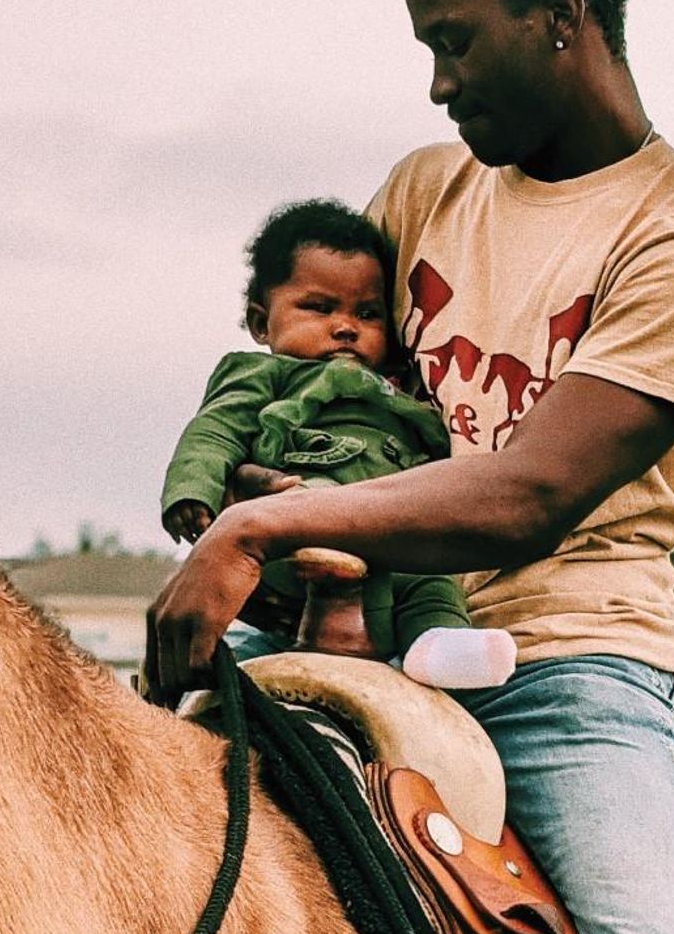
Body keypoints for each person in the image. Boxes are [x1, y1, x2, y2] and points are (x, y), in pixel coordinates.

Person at [149, 0, 674, 934]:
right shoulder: (425, 189)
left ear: (563, 17)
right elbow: (308, 378)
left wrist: (265, 519)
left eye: (457, 42)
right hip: (344, 625)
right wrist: (235, 473)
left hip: (559, 661)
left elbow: (526, 493)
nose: (435, 85)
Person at [160, 197, 517, 690]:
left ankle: (440, 647)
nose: (346, 325)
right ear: (262, 322)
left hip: (395, 535)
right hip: (304, 516)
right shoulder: (263, 374)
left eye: (367, 313)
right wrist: (191, 490)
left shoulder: (397, 391)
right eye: (319, 307)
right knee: (312, 506)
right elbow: (214, 430)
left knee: (432, 581)